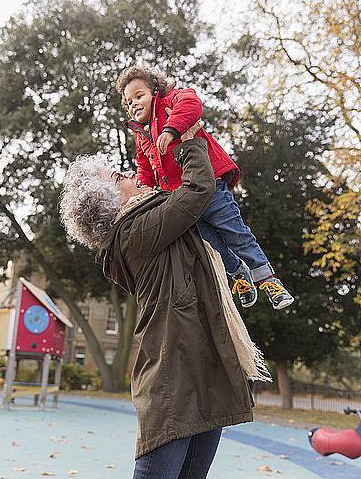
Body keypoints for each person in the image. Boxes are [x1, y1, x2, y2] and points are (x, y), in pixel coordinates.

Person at [59, 138, 270, 479]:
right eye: (117, 176)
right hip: (174, 371)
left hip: (205, 363)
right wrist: (188, 139)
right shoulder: (136, 231)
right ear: (109, 201)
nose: (128, 173)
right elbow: (199, 190)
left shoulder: (149, 224)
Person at [115, 65, 294, 310]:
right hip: (184, 200)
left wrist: (171, 130)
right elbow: (145, 170)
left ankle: (268, 281)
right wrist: (145, 191)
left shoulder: (170, 102)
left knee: (236, 234)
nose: (134, 103)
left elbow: (192, 103)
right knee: (212, 246)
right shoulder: (139, 136)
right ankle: (239, 273)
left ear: (155, 92)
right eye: (128, 101)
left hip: (210, 187)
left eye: (139, 95)